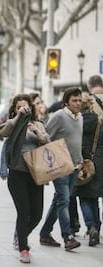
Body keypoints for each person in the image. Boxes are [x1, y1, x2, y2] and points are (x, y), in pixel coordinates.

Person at [0, 94, 50, 263]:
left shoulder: (38, 124)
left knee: (37, 214)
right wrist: (18, 117)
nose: (23, 109)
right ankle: (23, 248)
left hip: (36, 174)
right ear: (15, 109)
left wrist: (37, 132)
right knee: (24, 212)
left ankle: (21, 237)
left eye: (25, 106)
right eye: (19, 106)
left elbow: (47, 143)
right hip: (17, 174)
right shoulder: (13, 124)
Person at [39, 87, 83, 251]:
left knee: (59, 200)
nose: (78, 103)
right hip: (60, 166)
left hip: (75, 166)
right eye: (74, 100)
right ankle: (68, 237)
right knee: (64, 199)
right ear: (66, 102)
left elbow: (77, 142)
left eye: (79, 100)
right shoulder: (58, 116)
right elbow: (45, 136)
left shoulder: (80, 118)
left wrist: (80, 161)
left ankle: (45, 233)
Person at [75, 94, 102, 246]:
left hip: (84, 161)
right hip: (98, 161)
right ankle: (97, 227)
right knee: (94, 198)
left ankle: (91, 227)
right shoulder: (99, 121)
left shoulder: (78, 121)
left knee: (84, 196)